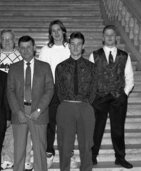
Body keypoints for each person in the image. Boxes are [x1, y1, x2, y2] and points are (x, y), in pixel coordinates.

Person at [89, 25, 134, 169]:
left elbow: (129, 78)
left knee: (118, 129)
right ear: (103, 37)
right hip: (99, 98)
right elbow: (90, 78)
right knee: (96, 129)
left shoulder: (124, 56)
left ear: (116, 37)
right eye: (107, 35)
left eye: (112, 35)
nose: (109, 37)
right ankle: (92, 157)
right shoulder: (94, 55)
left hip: (118, 98)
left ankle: (120, 158)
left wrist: (124, 94)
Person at [7, 35, 54, 171]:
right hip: (20, 113)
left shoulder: (44, 67)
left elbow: (50, 89)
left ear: (34, 48)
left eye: (28, 47)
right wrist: (17, 112)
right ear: (19, 50)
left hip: (39, 113)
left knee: (40, 149)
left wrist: (39, 110)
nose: (26, 50)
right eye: (22, 48)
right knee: (19, 150)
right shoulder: (14, 68)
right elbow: (10, 92)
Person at [55, 32, 96, 171]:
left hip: (85, 107)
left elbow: (94, 89)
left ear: (83, 46)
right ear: (69, 46)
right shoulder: (60, 67)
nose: (76, 47)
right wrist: (67, 103)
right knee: (65, 146)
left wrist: (85, 103)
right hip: (66, 106)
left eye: (79, 44)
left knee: (86, 145)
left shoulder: (91, 67)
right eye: (73, 44)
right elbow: (59, 91)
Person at [0, 29, 33, 171]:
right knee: (7, 130)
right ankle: (7, 158)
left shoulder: (21, 56)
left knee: (25, 128)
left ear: (14, 41)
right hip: (1, 99)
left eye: (9, 39)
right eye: (4, 39)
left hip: (19, 97)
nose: (6, 41)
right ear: (0, 40)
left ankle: (26, 159)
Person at [38, 19, 71, 168]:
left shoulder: (70, 47)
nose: (56, 33)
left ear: (63, 31)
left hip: (68, 90)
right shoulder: (46, 50)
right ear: (50, 34)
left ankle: (68, 153)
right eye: (53, 31)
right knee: (50, 123)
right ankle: (49, 152)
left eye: (59, 30)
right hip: (51, 89)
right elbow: (41, 72)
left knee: (67, 124)